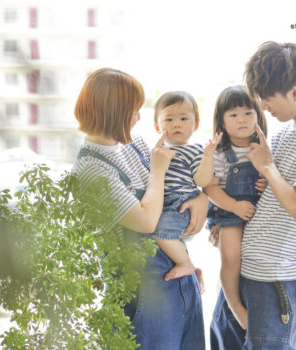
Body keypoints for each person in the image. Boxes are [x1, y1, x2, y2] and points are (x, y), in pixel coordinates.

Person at [210, 42, 296, 350]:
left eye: (267, 99)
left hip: (273, 280)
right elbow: (272, 197)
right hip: (250, 272)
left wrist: (269, 169)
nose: (263, 108)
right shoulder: (287, 131)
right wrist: (227, 221)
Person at [72, 68, 208, 349]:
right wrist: (158, 171)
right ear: (115, 111)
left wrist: (201, 199)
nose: (138, 116)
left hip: (180, 280)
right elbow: (147, 222)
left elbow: (174, 195)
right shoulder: (92, 170)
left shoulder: (134, 145)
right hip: (145, 295)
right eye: (133, 109)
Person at [203, 85, 268, 330]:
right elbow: (210, 188)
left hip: (258, 212)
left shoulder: (263, 147)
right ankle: (236, 306)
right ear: (221, 120)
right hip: (229, 211)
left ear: (258, 117)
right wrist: (234, 206)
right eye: (233, 115)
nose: (241, 119)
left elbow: (271, 178)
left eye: (247, 113)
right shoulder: (219, 152)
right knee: (231, 257)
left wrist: (265, 182)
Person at [151, 91, 222, 282]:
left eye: (183, 118)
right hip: (163, 204)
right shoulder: (157, 151)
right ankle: (191, 270)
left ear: (195, 124)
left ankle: (186, 264)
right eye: (169, 119)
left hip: (182, 203)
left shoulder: (194, 150)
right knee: (161, 232)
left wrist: (207, 157)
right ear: (157, 126)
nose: (176, 124)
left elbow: (202, 181)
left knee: (159, 231)